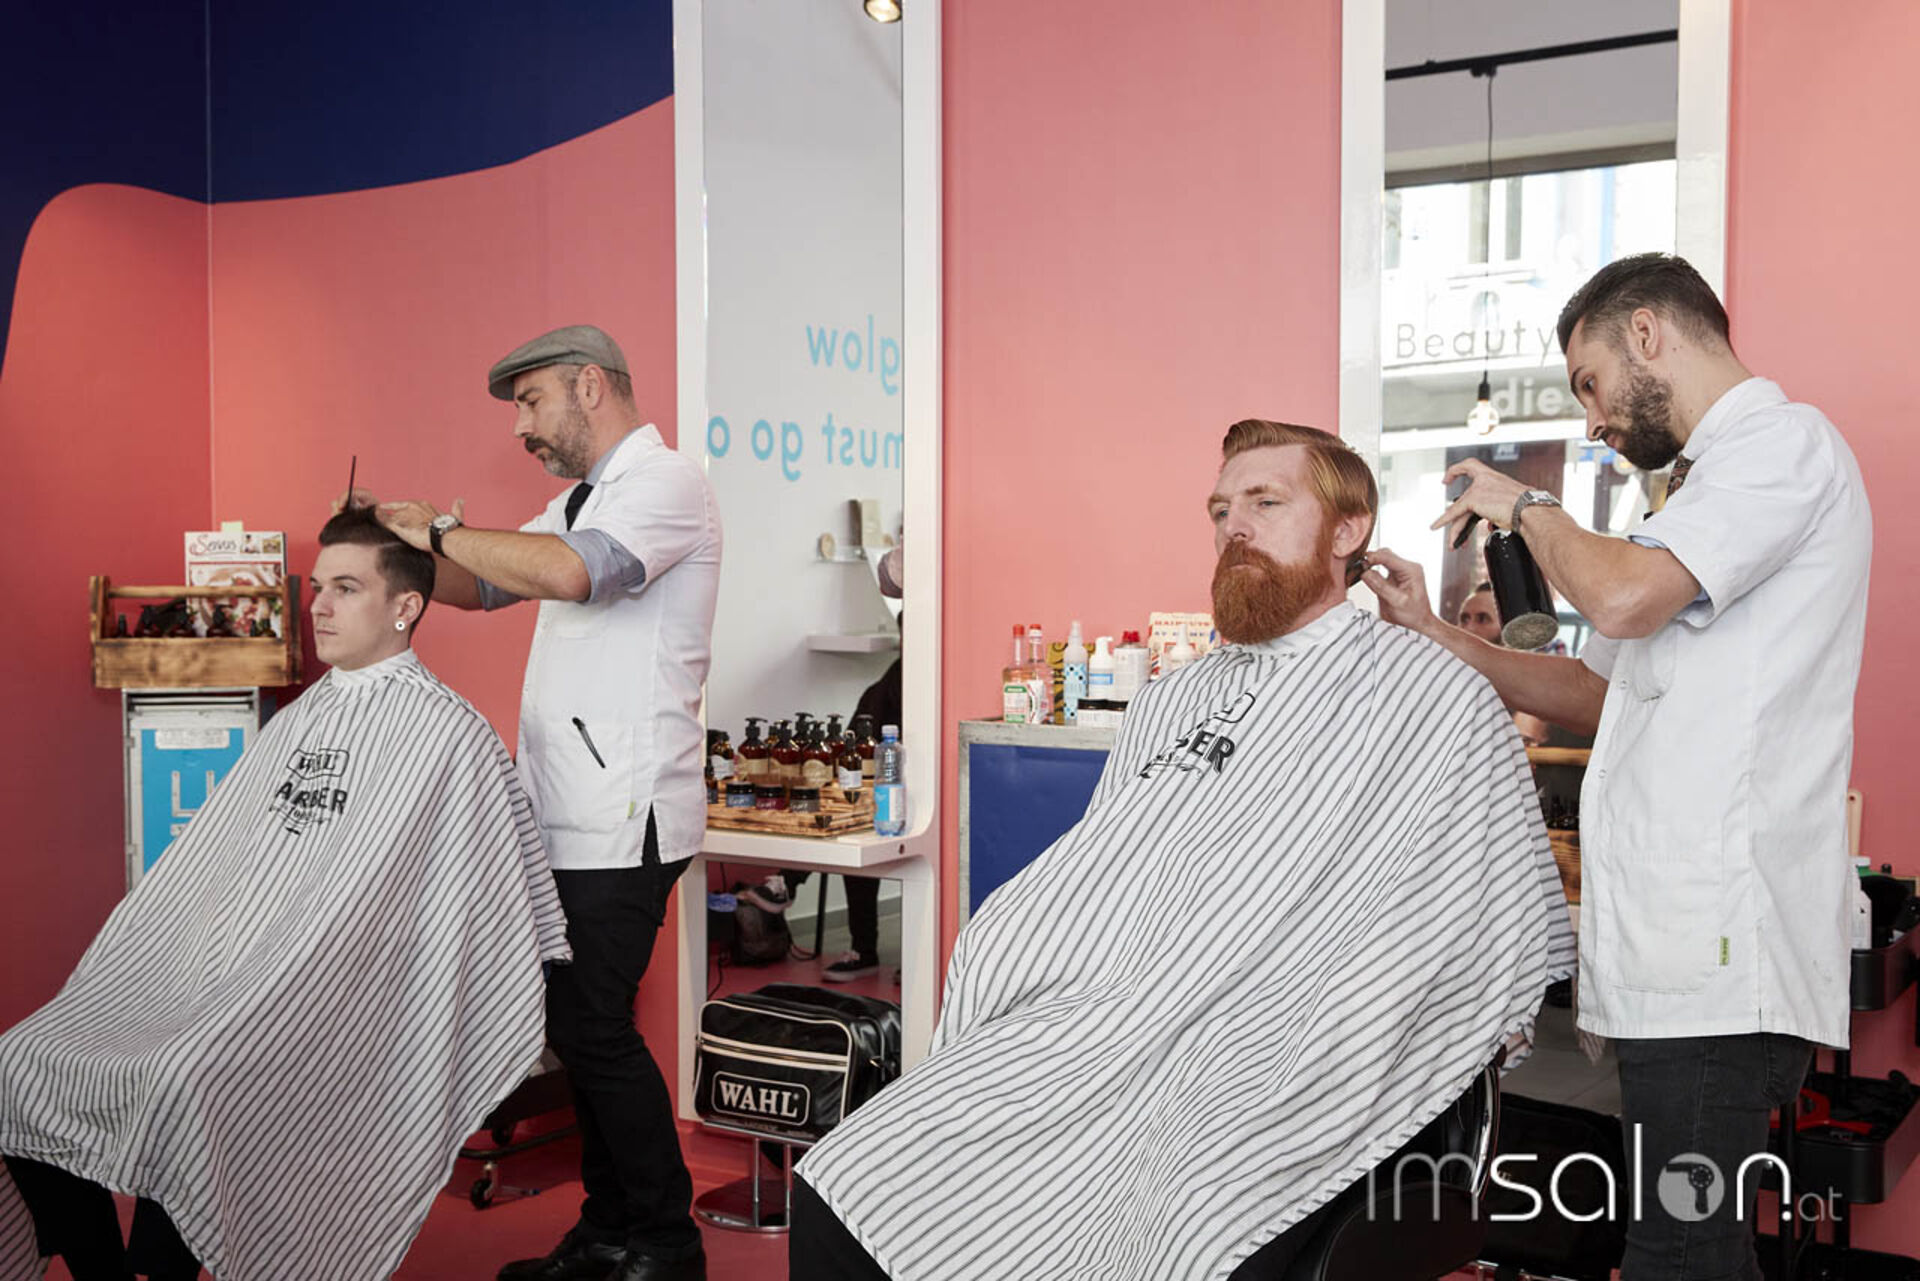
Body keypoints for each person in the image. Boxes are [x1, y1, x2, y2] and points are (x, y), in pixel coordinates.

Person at [789, 420, 1574, 1281]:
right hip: (1098, 1026)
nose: (1235, 526)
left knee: (1185, 1213)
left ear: (1347, 531)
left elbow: (1476, 927)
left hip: (1279, 1054)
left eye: (1266, 503)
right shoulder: (1175, 698)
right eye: (1221, 510)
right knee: (851, 1176)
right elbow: (1104, 878)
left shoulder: (1437, 697)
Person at [1363, 252, 1872, 1281]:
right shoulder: (1696, 501)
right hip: (1677, 950)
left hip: (1722, 955)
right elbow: (1595, 692)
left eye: (1589, 384)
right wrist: (1431, 631)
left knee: (1679, 1255)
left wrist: (1525, 507)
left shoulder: (1781, 446)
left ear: (1647, 333)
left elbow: (1623, 600)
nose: (1593, 420)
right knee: (1690, 1250)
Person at [0, 507, 570, 1281]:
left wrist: (288, 964)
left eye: (346, 588)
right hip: (216, 974)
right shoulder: (302, 716)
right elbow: (216, 862)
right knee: (19, 1062)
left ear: (405, 605)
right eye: (318, 588)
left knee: (184, 1079)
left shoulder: (449, 735)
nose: (319, 606)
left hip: (337, 995)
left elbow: (471, 908)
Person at [373, 325, 720, 1281]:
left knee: (591, 1027)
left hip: (627, 810)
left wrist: (439, 529)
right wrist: (396, 548)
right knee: (579, 1026)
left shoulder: (666, 484)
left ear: (590, 385)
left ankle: (664, 1242)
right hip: (566, 810)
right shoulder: (578, 499)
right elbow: (484, 584)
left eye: (531, 401)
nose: (521, 426)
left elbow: (572, 571)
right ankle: (610, 1232)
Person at [1456, 582, 1551, 746]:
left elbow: (1520, 748)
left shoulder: (1535, 684)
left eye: (1482, 619)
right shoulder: (1456, 682)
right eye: (1464, 619)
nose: (1468, 629)